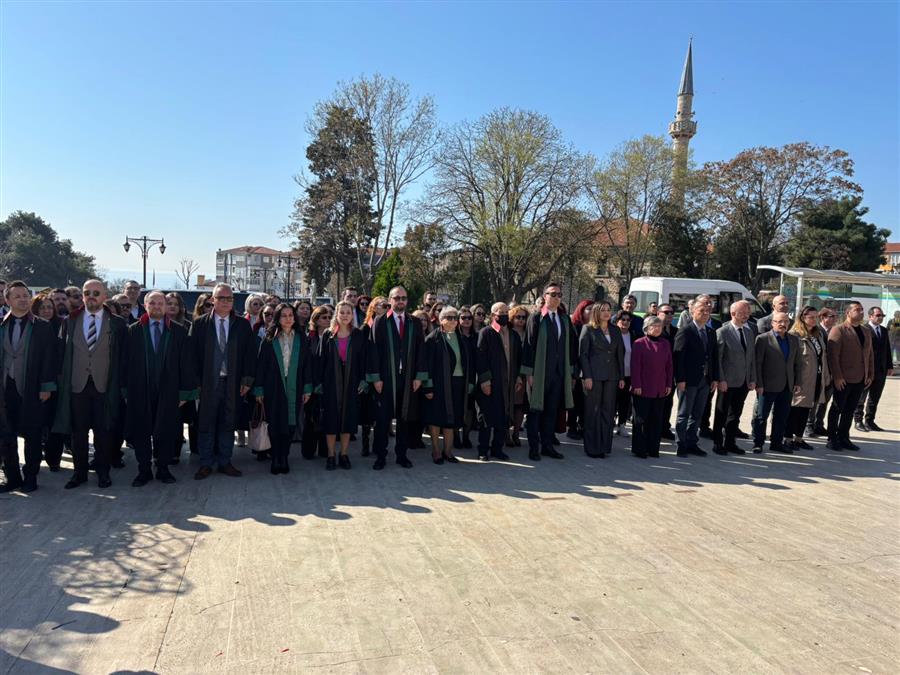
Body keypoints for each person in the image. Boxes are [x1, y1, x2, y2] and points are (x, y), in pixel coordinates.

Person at [53, 279, 129, 488]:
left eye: (96, 293)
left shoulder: (117, 323)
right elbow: (61, 354)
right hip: (77, 385)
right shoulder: (70, 321)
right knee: (78, 433)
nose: (91, 297)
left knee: (103, 432)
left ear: (105, 296)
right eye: (87, 293)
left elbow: (124, 357)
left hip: (105, 385)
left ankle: (103, 472)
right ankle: (79, 474)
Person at [124, 291, 195, 486]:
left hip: (169, 392)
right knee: (141, 432)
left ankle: (163, 468)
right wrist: (125, 391)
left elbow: (186, 365)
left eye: (160, 303)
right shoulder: (133, 330)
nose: (156, 306)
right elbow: (124, 363)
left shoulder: (179, 331)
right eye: (152, 303)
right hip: (140, 391)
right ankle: (144, 470)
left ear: (165, 306)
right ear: (145, 305)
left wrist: (185, 393)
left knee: (166, 431)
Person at [189, 283, 257, 479]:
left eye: (230, 299)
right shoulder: (200, 324)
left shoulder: (242, 325)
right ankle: (205, 463)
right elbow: (192, 356)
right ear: (213, 300)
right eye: (222, 298)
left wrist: (247, 380)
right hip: (208, 383)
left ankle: (225, 461)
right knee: (206, 422)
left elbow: (250, 355)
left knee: (228, 422)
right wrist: (196, 383)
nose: (226, 302)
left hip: (233, 382)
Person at [0, 282, 57, 492]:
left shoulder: (42, 326)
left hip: (32, 388)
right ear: (8, 300)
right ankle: (12, 477)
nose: (23, 299)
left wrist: (46, 386)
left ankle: (31, 477)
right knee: (6, 436)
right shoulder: (1, 324)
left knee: (32, 435)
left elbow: (49, 359)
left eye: (25, 295)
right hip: (6, 390)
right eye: (17, 296)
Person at [366, 286, 427, 470]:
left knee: (404, 417)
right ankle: (380, 455)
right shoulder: (380, 322)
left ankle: (402, 455)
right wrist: (375, 378)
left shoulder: (413, 322)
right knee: (383, 418)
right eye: (397, 298)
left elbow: (420, 351)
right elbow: (373, 350)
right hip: (385, 378)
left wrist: (419, 376)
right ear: (390, 300)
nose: (400, 301)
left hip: (407, 378)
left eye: (404, 298)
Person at [254, 303, 312, 474]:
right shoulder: (269, 339)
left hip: (295, 384)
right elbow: (261, 366)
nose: (288, 319)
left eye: (290, 315)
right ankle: (275, 457)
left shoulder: (302, 339)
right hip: (273, 385)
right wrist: (259, 390)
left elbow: (308, 365)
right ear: (278, 318)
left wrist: (308, 388)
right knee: (275, 423)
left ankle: (284, 456)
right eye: (284, 315)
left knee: (290, 424)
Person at [522, 282, 577, 461]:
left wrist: (569, 372)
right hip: (539, 373)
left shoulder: (564, 319)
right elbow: (528, 347)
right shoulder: (536, 318)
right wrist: (529, 373)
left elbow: (570, 348)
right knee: (535, 410)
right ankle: (533, 448)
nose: (556, 298)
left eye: (559, 295)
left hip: (558, 373)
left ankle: (547, 446)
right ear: (544, 296)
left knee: (551, 411)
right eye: (552, 294)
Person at [317, 301, 367, 470]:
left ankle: (344, 454)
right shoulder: (328, 335)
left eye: (348, 312)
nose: (345, 315)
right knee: (331, 420)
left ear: (352, 315)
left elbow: (363, 361)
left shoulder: (358, 335)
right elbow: (321, 360)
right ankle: (331, 455)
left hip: (351, 383)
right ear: (336, 315)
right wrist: (319, 383)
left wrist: (363, 380)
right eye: (342, 312)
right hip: (331, 383)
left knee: (348, 419)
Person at [423, 305, 474, 463]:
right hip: (439, 384)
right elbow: (427, 366)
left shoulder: (461, 338)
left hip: (458, 383)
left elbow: (469, 363)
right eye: (449, 318)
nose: (452, 321)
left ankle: (448, 451)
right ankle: (436, 451)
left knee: (452, 418)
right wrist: (428, 386)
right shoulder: (433, 338)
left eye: (454, 317)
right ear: (441, 320)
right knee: (437, 418)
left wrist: (470, 383)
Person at [473, 303, 522, 462]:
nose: (504, 315)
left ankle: (497, 449)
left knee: (503, 416)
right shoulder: (486, 333)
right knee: (486, 418)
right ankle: (483, 450)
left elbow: (517, 359)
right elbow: (480, 358)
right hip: (490, 383)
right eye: (501, 312)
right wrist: (485, 380)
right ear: (493, 314)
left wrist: (518, 377)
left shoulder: (513, 335)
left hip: (507, 383)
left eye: (507, 312)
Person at [673, 296, 719, 457]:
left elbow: (714, 357)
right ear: (692, 312)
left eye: (708, 311)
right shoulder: (685, 331)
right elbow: (678, 358)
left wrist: (714, 378)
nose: (705, 313)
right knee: (684, 413)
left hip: (705, 380)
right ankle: (681, 443)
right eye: (701, 310)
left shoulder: (711, 332)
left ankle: (692, 442)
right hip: (688, 380)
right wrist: (680, 379)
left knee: (698, 414)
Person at [578, 302, 625, 458]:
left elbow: (620, 354)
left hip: (611, 377)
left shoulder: (615, 330)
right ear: (596, 312)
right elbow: (583, 355)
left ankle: (604, 446)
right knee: (593, 411)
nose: (606, 313)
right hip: (594, 376)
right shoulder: (588, 329)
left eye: (608, 310)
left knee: (608, 411)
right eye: (603, 310)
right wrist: (587, 376)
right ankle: (592, 447)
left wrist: (621, 376)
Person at [752, 312, 802, 453]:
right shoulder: (762, 339)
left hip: (787, 385)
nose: (782, 324)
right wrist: (759, 384)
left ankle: (776, 443)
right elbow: (758, 363)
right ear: (772, 323)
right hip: (767, 385)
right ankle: (758, 443)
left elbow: (798, 363)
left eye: (785, 321)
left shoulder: (793, 340)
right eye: (779, 321)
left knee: (781, 416)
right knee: (761, 416)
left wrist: (797, 381)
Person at [827, 302, 874, 451]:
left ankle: (844, 437)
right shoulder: (838, 330)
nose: (861, 312)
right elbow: (833, 356)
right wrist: (837, 376)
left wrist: (869, 374)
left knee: (850, 410)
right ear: (848, 312)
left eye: (862, 310)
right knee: (837, 408)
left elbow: (869, 354)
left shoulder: (866, 331)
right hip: (843, 378)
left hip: (860, 378)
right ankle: (832, 438)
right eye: (857, 310)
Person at [712, 301, 756, 455]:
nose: (746, 315)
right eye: (743, 312)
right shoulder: (722, 332)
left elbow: (751, 358)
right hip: (727, 381)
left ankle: (730, 442)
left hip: (743, 381)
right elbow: (718, 359)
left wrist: (752, 379)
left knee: (735, 414)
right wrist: (721, 379)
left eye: (748, 312)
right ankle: (718, 443)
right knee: (721, 413)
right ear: (733, 313)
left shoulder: (749, 332)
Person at [630, 315, 673, 459]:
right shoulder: (639, 343)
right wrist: (636, 384)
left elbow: (669, 366)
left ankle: (653, 448)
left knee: (656, 420)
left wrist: (668, 383)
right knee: (641, 420)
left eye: (659, 326)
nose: (657, 329)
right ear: (646, 328)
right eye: (654, 326)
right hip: (643, 387)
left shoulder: (665, 343)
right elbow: (635, 367)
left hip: (660, 388)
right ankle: (639, 449)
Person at [787, 306, 829, 451]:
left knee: (807, 409)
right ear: (802, 318)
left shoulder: (818, 334)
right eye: (811, 317)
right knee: (795, 409)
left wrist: (825, 376)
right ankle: (788, 438)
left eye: (816, 317)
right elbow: (791, 360)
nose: (814, 320)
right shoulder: (795, 334)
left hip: (815, 377)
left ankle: (799, 438)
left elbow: (822, 356)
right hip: (801, 378)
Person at [301, 305, 332, 460]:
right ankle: (308, 449)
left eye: (329, 317)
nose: (327, 320)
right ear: (316, 320)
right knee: (311, 418)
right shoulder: (308, 338)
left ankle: (325, 449)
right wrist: (309, 384)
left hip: (329, 384)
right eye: (324, 317)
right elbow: (305, 364)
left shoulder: (334, 337)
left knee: (326, 417)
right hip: (311, 385)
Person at [854, 306, 893, 432]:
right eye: (878, 315)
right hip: (866, 370)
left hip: (880, 370)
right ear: (870, 316)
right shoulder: (863, 329)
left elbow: (887, 349)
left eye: (882, 316)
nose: (880, 318)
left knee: (874, 397)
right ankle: (858, 421)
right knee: (861, 397)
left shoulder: (884, 330)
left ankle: (870, 421)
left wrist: (889, 366)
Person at [358, 296, 388, 456]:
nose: (383, 307)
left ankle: (379, 444)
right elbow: (362, 355)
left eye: (385, 305)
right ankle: (365, 444)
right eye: (379, 305)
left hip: (384, 375)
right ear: (373, 308)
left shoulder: (389, 326)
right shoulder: (365, 328)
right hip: (368, 376)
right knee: (367, 415)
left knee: (380, 414)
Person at [808, 307, 839, 437]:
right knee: (814, 401)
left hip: (831, 373)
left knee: (825, 400)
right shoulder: (816, 331)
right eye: (831, 316)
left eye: (835, 316)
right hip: (817, 373)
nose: (834, 319)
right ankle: (809, 425)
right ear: (823, 317)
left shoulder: (836, 331)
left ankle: (819, 424)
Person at [566, 300, 593, 441]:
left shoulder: (595, 327)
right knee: (575, 399)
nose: (591, 311)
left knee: (585, 400)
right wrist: (573, 372)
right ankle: (572, 427)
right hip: (576, 368)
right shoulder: (574, 327)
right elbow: (571, 350)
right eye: (589, 309)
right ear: (581, 311)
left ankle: (583, 425)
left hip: (590, 369)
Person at [507, 304, 530, 447]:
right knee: (509, 405)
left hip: (525, 375)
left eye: (524, 317)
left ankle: (516, 433)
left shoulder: (528, 333)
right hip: (511, 374)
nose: (521, 320)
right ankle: (506, 435)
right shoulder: (508, 333)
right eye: (518, 317)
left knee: (520, 406)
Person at [657, 303, 678, 440]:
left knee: (668, 401)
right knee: (657, 402)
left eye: (671, 312)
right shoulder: (654, 331)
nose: (669, 315)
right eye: (666, 312)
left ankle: (665, 427)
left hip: (671, 373)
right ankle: (656, 428)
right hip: (656, 373)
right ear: (658, 314)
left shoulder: (677, 331)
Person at [614, 310, 634, 437]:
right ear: (617, 321)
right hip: (614, 374)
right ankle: (609, 424)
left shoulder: (633, 335)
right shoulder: (613, 334)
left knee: (625, 401)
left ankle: (622, 425)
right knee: (612, 400)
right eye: (623, 319)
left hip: (629, 374)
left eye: (628, 320)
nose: (625, 322)